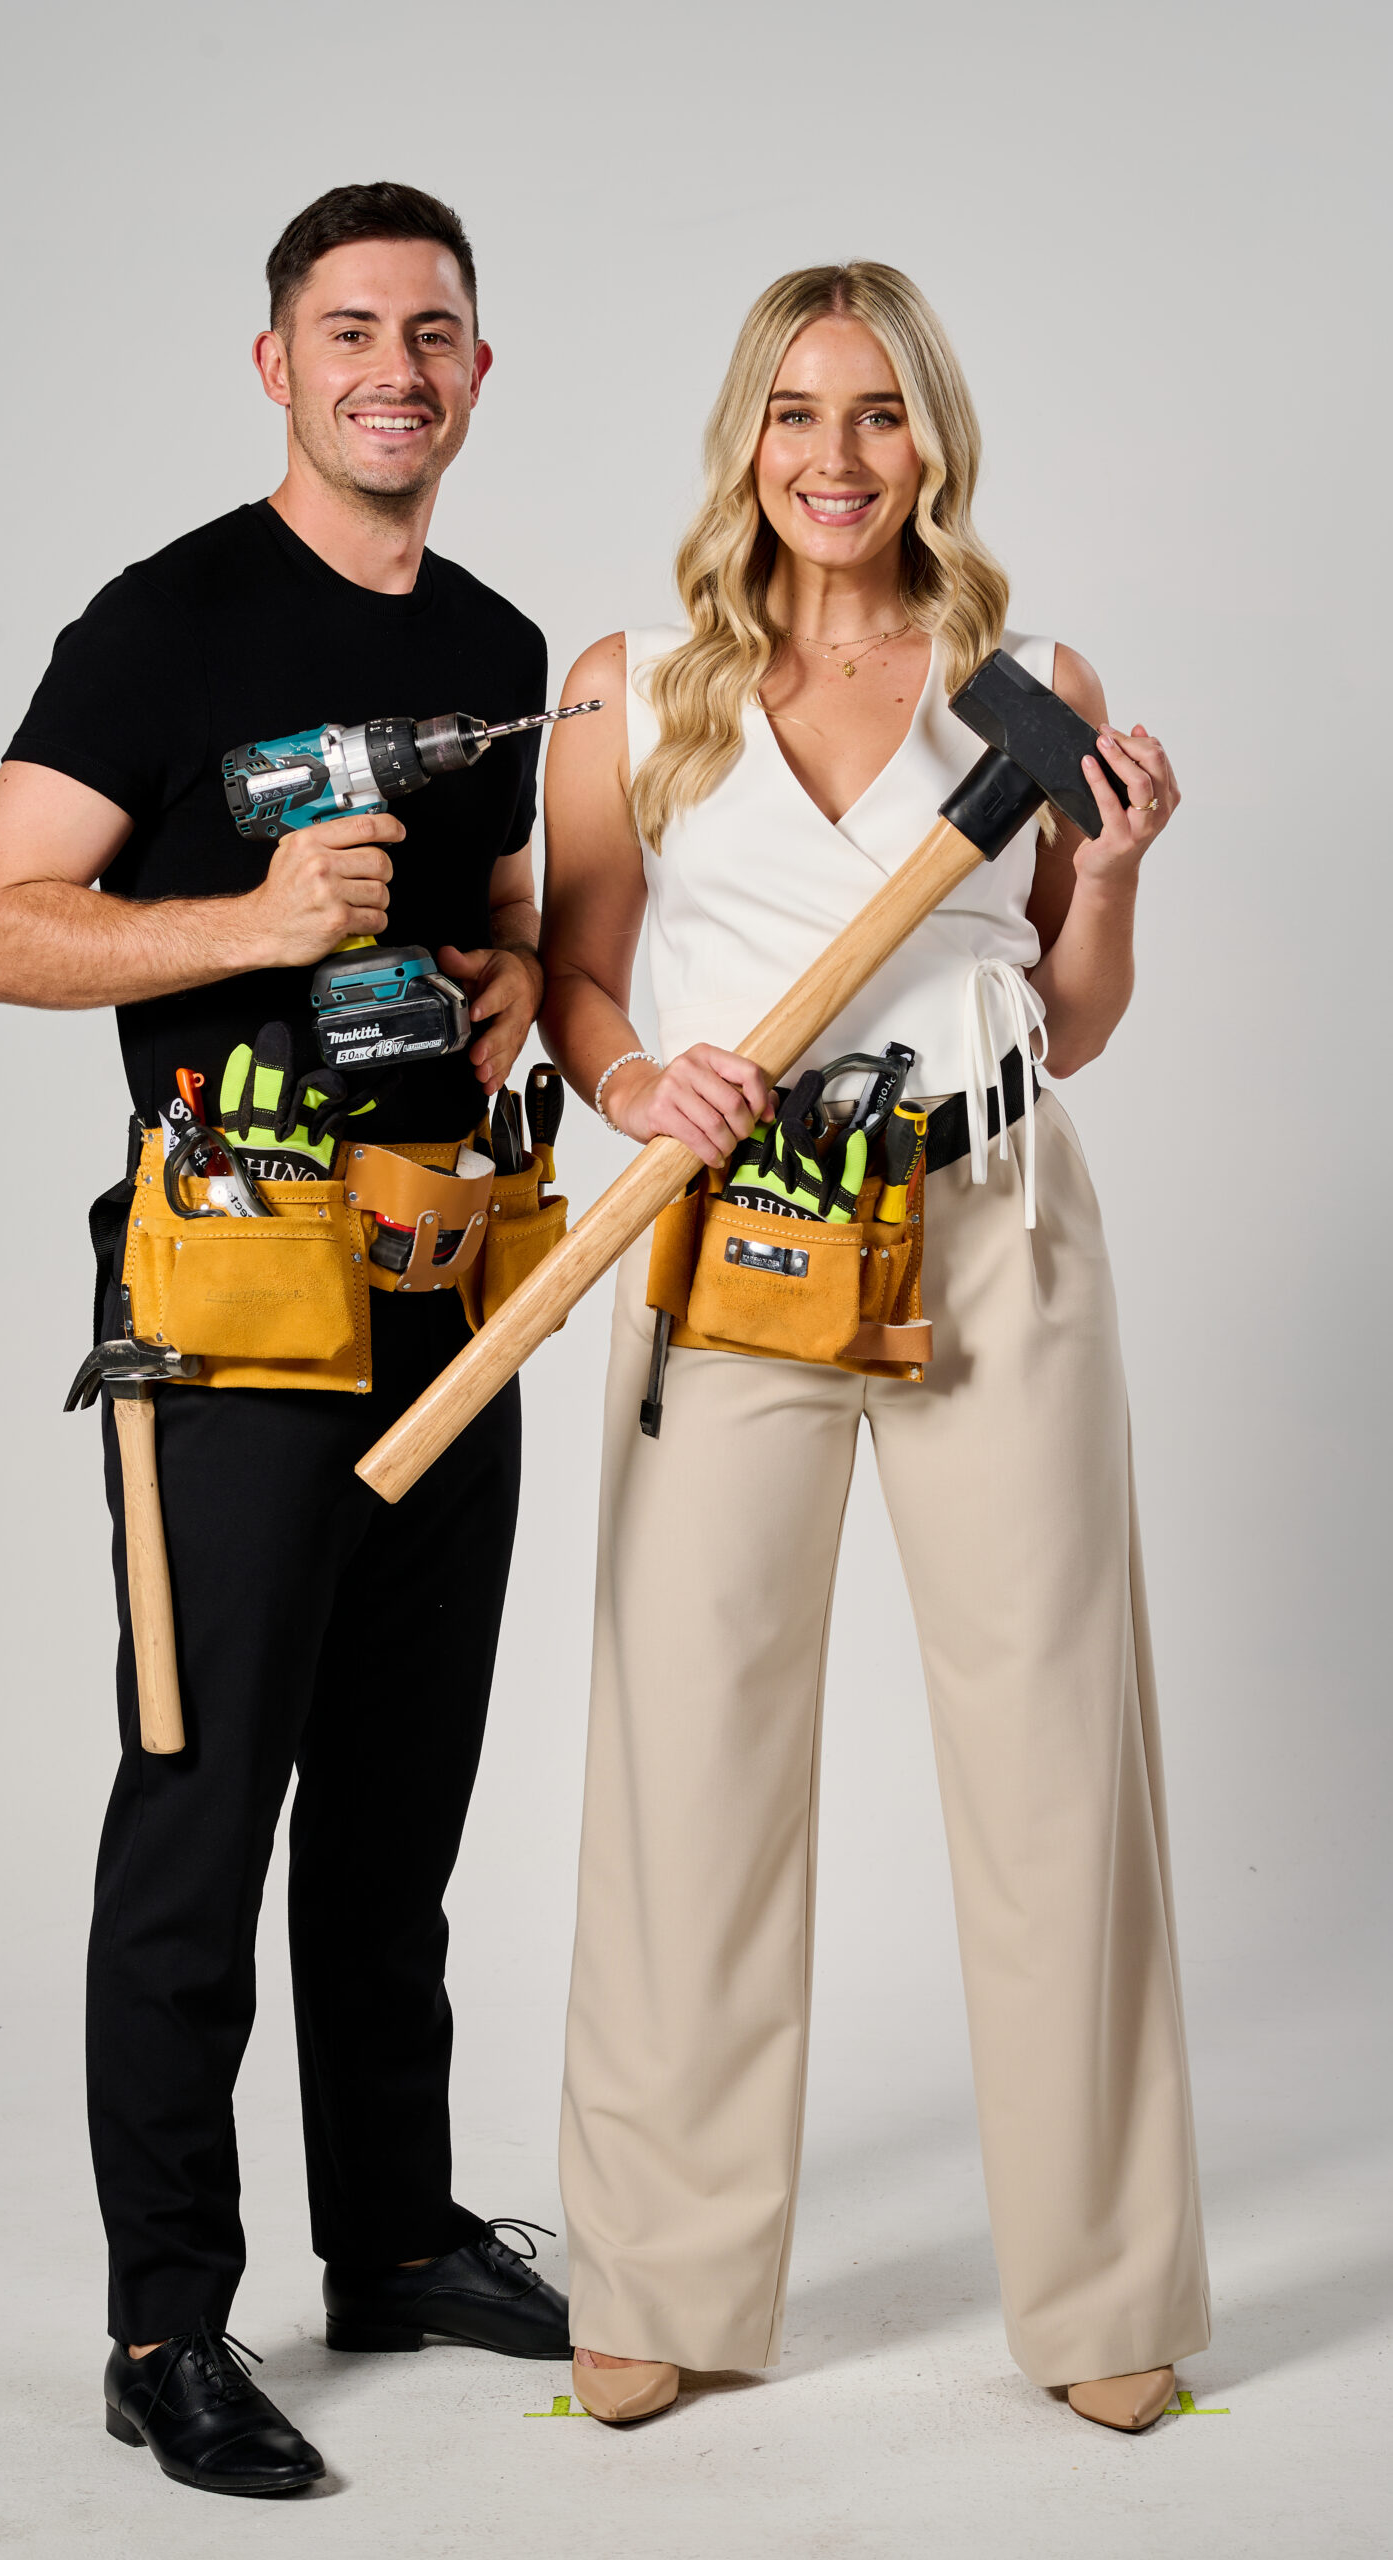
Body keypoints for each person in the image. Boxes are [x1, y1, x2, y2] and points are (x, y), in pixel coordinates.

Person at [0, 180, 570, 2502]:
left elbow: (512, 931)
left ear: (479, 373)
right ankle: (162, 2323)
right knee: (208, 1807)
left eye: (433, 329)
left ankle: (393, 2240)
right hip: (228, 1289)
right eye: (347, 328)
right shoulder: (167, 623)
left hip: (449, 1272)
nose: (393, 363)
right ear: (277, 364)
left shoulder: (499, 638)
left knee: (400, 1803)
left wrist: (507, 973)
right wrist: (241, 908)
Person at [537, 262, 1205, 2434]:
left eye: (881, 415)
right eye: (797, 413)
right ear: (744, 434)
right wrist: (639, 1088)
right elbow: (577, 983)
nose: (836, 458)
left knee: (1052, 1758)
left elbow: (1072, 1011)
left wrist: (1113, 881)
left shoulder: (1030, 683)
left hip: (990, 1221)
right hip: (735, 1246)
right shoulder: (631, 692)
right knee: (685, 1747)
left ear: (937, 442)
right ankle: (659, 2271)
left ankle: (1106, 2292)